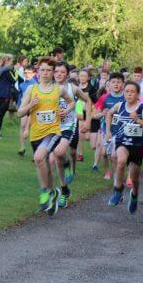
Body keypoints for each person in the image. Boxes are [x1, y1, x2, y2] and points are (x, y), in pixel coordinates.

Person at [17, 57, 74, 215]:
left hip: (53, 131)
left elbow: (72, 102)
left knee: (38, 157)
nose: (45, 73)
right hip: (36, 134)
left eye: (49, 70)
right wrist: (30, 105)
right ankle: (53, 191)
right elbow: (20, 112)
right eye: (42, 70)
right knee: (44, 164)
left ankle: (45, 192)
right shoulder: (31, 90)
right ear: (38, 71)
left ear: (53, 72)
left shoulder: (59, 90)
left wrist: (66, 110)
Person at [106, 81, 143, 213]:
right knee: (120, 161)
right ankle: (118, 189)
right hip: (122, 142)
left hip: (137, 146)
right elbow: (109, 114)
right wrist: (108, 131)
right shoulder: (119, 105)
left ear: (137, 94)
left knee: (134, 178)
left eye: (132, 91)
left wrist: (138, 120)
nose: (129, 94)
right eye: (126, 91)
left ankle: (135, 195)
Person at [50, 61, 92, 208]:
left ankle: (68, 164)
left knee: (60, 152)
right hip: (52, 127)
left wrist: (87, 121)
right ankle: (64, 190)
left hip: (69, 126)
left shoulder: (73, 88)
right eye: (56, 71)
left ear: (67, 74)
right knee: (55, 159)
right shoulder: (48, 88)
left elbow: (88, 101)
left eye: (62, 72)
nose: (59, 74)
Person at [93, 73, 125, 181]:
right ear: (109, 84)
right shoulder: (104, 97)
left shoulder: (126, 97)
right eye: (113, 82)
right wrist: (102, 113)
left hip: (121, 130)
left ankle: (118, 176)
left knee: (116, 155)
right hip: (106, 128)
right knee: (104, 153)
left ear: (123, 84)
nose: (116, 84)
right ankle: (107, 171)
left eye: (119, 82)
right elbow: (94, 115)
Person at [0, 54, 18, 138]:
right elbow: (14, 80)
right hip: (5, 94)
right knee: (1, 114)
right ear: (7, 61)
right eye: (11, 61)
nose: (12, 63)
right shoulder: (7, 71)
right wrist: (16, 70)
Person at [17, 65, 37, 156]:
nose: (27, 74)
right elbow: (20, 97)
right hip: (25, 108)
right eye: (25, 73)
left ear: (33, 73)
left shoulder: (36, 84)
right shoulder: (22, 85)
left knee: (32, 129)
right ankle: (22, 147)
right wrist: (19, 106)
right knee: (22, 126)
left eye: (29, 72)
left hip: (34, 108)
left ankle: (35, 151)